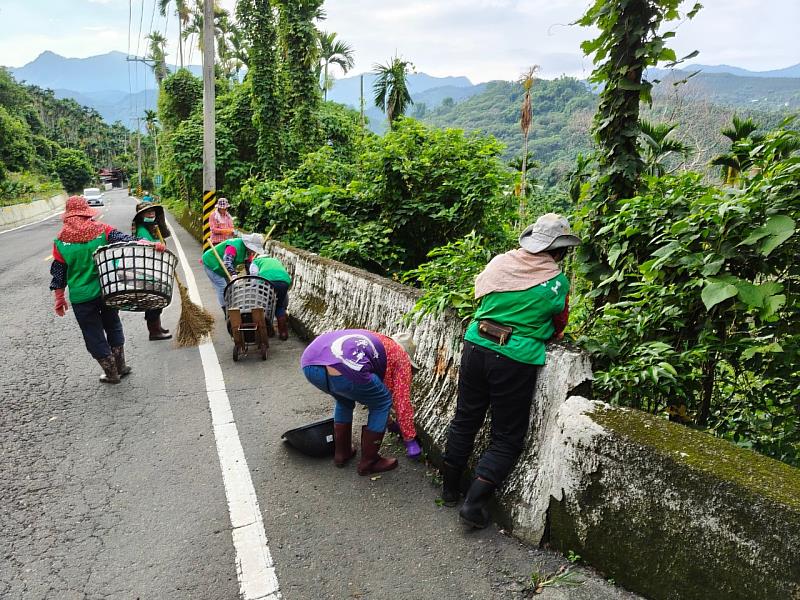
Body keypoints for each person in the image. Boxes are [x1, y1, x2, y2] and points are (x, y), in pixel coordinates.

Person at [440, 213, 580, 529]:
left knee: (466, 418)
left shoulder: (500, 263)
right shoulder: (557, 282)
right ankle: (473, 503)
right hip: (514, 359)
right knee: (507, 437)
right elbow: (559, 325)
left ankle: (449, 490)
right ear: (558, 251)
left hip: (476, 343)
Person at [50, 196, 167, 383]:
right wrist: (152, 245)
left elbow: (59, 271)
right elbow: (128, 241)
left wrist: (59, 298)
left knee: (92, 332)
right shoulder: (101, 230)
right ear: (86, 212)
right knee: (112, 323)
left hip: (81, 296)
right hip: (107, 290)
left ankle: (111, 372)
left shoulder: (60, 241)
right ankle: (120, 365)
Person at [300, 329, 419, 475]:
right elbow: (402, 401)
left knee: (344, 399)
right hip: (344, 367)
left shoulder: (379, 342)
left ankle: (342, 453)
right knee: (382, 402)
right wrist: (409, 438)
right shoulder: (401, 357)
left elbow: (370, 389)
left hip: (310, 363)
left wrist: (389, 423)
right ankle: (370, 462)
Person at [131, 203, 172, 341]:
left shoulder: (153, 229)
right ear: (141, 216)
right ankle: (154, 331)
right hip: (148, 271)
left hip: (155, 269)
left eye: (152, 211)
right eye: (147, 212)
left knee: (157, 299)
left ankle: (157, 327)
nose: (151, 214)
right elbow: (146, 248)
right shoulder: (142, 230)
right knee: (153, 301)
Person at [201, 233, 265, 312]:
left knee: (231, 288)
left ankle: (232, 308)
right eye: (253, 249)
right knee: (223, 287)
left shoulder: (248, 252)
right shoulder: (234, 246)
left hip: (224, 268)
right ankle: (226, 311)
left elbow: (248, 265)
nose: (254, 251)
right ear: (249, 245)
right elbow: (227, 262)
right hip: (211, 262)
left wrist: (250, 279)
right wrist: (234, 275)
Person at [249, 252, 292, 341]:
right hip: (284, 282)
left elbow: (254, 278)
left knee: (266, 305)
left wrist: (253, 289)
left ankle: (269, 331)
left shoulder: (256, 262)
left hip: (266, 282)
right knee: (280, 306)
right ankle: (283, 333)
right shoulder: (275, 260)